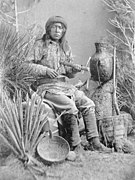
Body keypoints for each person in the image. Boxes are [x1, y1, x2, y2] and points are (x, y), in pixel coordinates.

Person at [23, 16, 111, 154]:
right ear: (49, 28)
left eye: (61, 28)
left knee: (88, 103)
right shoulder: (39, 45)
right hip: (46, 87)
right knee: (70, 106)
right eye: (55, 27)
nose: (58, 30)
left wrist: (73, 70)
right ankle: (75, 145)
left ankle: (95, 142)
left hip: (64, 86)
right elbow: (26, 66)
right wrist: (45, 70)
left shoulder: (65, 46)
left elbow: (68, 74)